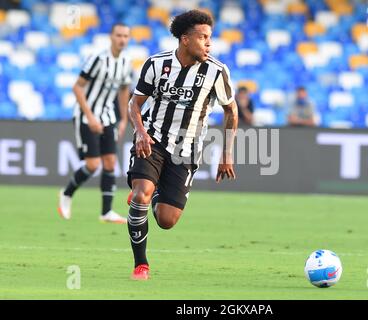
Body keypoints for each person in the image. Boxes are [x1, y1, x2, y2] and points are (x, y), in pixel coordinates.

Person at [126, 9, 238, 280]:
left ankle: (154, 195)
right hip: (151, 141)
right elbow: (135, 103)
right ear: (185, 39)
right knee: (140, 194)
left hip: (186, 149)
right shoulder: (155, 64)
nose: (209, 43)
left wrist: (227, 155)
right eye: (203, 37)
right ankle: (141, 265)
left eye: (210, 37)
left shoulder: (216, 71)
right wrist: (140, 131)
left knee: (166, 220)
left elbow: (231, 111)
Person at [58, 23, 133, 224]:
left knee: (110, 163)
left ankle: (106, 212)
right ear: (111, 37)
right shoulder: (98, 59)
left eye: (126, 36)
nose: (122, 39)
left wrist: (124, 119)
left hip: (108, 117)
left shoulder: (126, 62)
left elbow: (124, 90)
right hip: (86, 115)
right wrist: (90, 116)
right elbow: (77, 87)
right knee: (93, 164)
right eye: (119, 35)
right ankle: (66, 194)